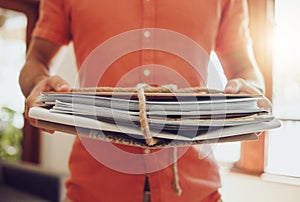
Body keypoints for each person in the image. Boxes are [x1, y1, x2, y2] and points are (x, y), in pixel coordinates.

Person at [19, 0, 266, 201]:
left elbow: (246, 70)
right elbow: (36, 59)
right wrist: (37, 83)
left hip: (196, 190)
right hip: (94, 188)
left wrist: (250, 89)